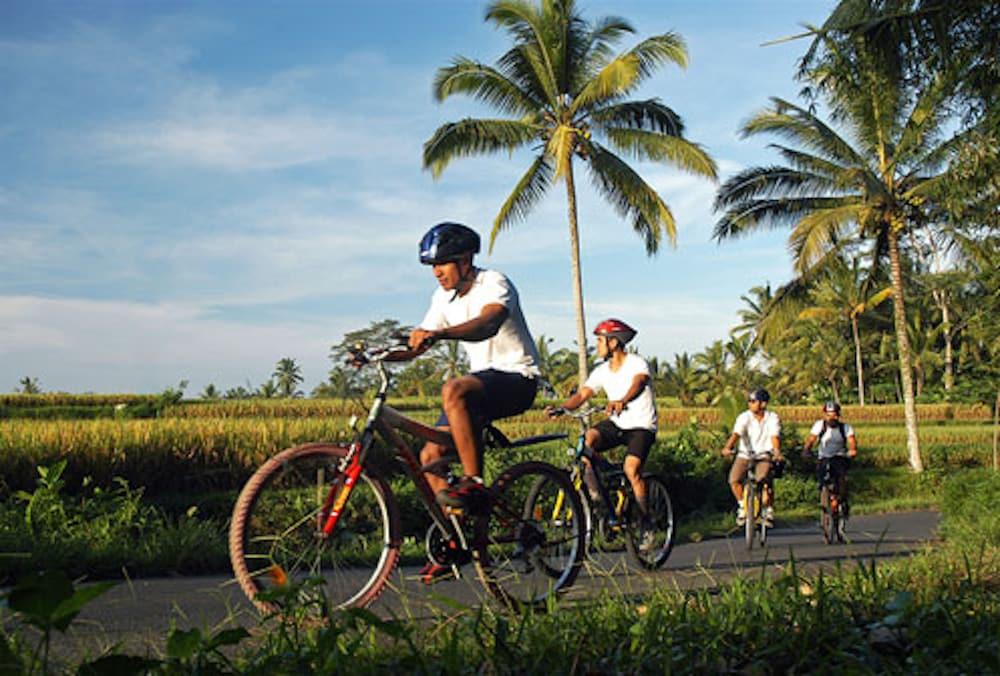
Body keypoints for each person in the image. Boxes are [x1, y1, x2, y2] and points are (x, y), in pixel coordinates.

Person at [403, 222, 541, 582]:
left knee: (453, 389)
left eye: (444, 263)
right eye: (432, 265)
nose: (437, 272)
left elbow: (488, 324)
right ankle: (458, 539)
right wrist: (376, 356)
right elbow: (417, 346)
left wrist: (439, 334)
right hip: (480, 387)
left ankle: (474, 481)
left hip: (516, 379)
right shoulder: (442, 299)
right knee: (429, 457)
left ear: (466, 260)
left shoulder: (494, 282)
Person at [544, 319, 658, 548]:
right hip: (616, 423)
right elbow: (583, 394)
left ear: (614, 342)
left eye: (599, 340)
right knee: (587, 443)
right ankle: (600, 502)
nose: (596, 344)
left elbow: (639, 383)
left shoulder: (637, 363)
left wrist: (622, 400)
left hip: (641, 425)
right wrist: (563, 407)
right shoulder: (602, 371)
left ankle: (646, 523)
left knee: (631, 469)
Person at [721, 388, 783, 526]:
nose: (750, 404)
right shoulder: (744, 417)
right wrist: (728, 447)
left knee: (764, 480)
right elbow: (736, 434)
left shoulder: (772, 418)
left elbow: (774, 437)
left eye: (754, 401)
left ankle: (768, 510)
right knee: (734, 479)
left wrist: (777, 451)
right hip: (745, 454)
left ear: (763, 404)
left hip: (764, 454)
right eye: (749, 401)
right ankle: (743, 507)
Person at [802, 401, 857, 517]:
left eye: (834, 415)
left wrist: (852, 450)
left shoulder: (845, 428)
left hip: (839, 457)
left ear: (838, 415)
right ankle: (825, 500)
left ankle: (843, 500)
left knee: (843, 479)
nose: (831, 418)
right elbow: (811, 439)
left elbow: (851, 441)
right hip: (824, 457)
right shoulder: (819, 425)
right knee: (822, 479)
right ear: (824, 415)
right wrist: (806, 450)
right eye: (828, 415)